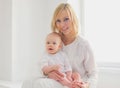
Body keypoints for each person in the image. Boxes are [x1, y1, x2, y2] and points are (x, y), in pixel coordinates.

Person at [47, 3, 98, 88]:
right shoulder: (54, 42)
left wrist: (86, 85)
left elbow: (93, 73)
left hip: (77, 84)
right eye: (58, 21)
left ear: (73, 19)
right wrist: (48, 73)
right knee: (35, 82)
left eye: (66, 19)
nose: (62, 24)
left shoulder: (83, 44)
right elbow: (42, 63)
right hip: (58, 83)